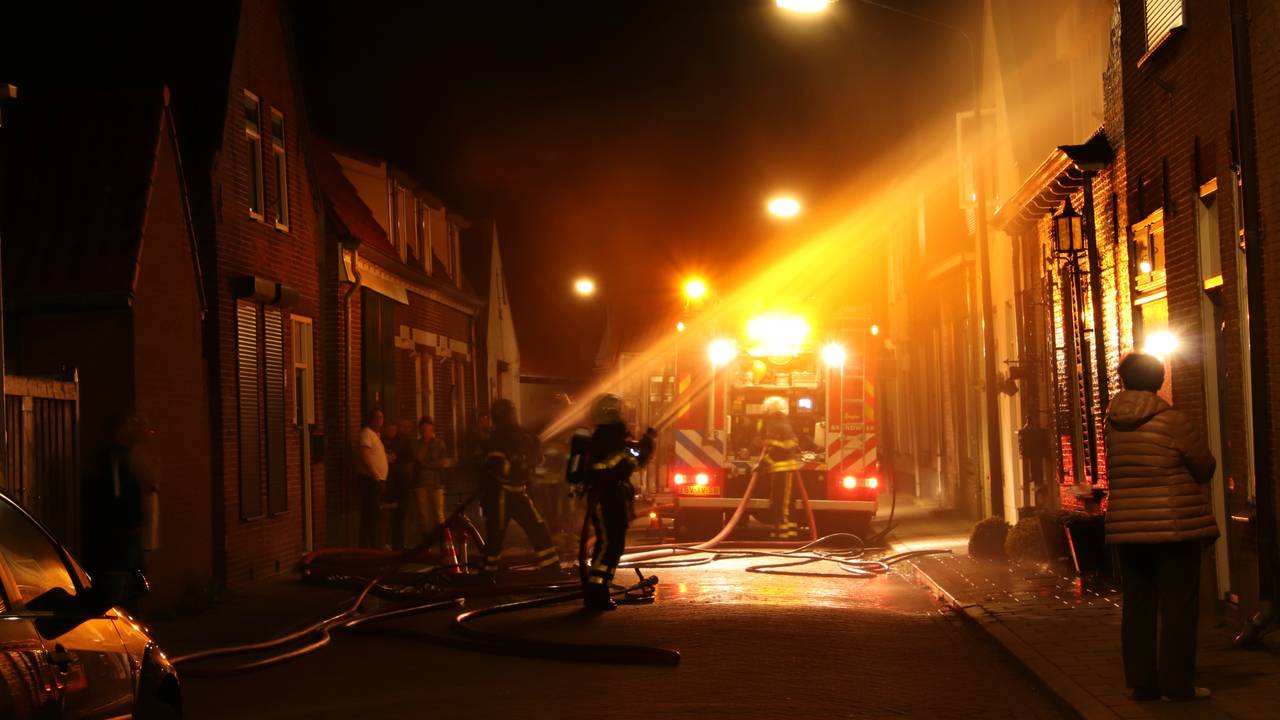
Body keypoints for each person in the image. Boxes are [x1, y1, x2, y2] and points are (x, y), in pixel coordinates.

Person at [1105, 352, 1218, 702]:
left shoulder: (1112, 423)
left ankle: (1142, 684)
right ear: (1158, 381)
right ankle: (1177, 685)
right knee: (1178, 607)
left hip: (1128, 529)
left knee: (1138, 607)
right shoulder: (1173, 420)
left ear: (1124, 381)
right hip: (1174, 528)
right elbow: (1204, 467)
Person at [580, 394, 656, 611]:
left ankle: (599, 590)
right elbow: (627, 463)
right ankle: (596, 593)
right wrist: (645, 446)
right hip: (606, 498)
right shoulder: (607, 439)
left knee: (613, 545)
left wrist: (645, 444)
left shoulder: (608, 437)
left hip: (610, 496)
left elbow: (630, 459)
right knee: (608, 545)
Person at [82, 412, 156, 612]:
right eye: (134, 424)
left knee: (130, 590)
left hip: (125, 539)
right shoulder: (115, 458)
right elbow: (117, 500)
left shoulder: (128, 457)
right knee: (121, 593)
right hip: (118, 541)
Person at [479, 399, 560, 579]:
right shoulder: (496, 438)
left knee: (537, 527)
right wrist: (515, 460)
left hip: (518, 492)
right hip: (500, 494)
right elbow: (497, 467)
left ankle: (551, 567)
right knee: (496, 534)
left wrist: (531, 453)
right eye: (510, 413)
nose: (513, 417)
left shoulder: (520, 434)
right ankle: (488, 573)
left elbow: (535, 456)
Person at [758, 399, 801, 540]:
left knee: (781, 505)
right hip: (782, 470)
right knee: (782, 504)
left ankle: (782, 537)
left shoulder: (775, 424)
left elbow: (778, 448)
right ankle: (785, 534)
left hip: (783, 470)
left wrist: (764, 462)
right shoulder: (783, 423)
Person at [409, 417, 450, 547]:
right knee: (424, 516)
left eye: (428, 429)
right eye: (423, 430)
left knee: (439, 514)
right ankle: (426, 544)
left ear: (433, 430)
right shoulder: (416, 444)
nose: (426, 432)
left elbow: (441, 463)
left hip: (436, 483)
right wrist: (425, 445)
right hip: (420, 484)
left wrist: (426, 465)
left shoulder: (439, 444)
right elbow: (418, 459)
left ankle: (445, 542)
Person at [356, 407, 390, 549]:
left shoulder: (377, 436)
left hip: (377, 480)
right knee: (370, 513)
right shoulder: (366, 433)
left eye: (381, 417)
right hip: (370, 480)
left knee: (374, 513)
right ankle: (369, 545)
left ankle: (372, 544)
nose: (379, 420)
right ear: (370, 419)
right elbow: (365, 455)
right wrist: (375, 475)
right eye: (376, 417)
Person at [386, 418, 417, 549]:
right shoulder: (384, 442)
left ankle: (398, 544)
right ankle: (391, 543)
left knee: (400, 515)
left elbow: (411, 460)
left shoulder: (404, 444)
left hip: (401, 485)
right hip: (389, 485)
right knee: (392, 516)